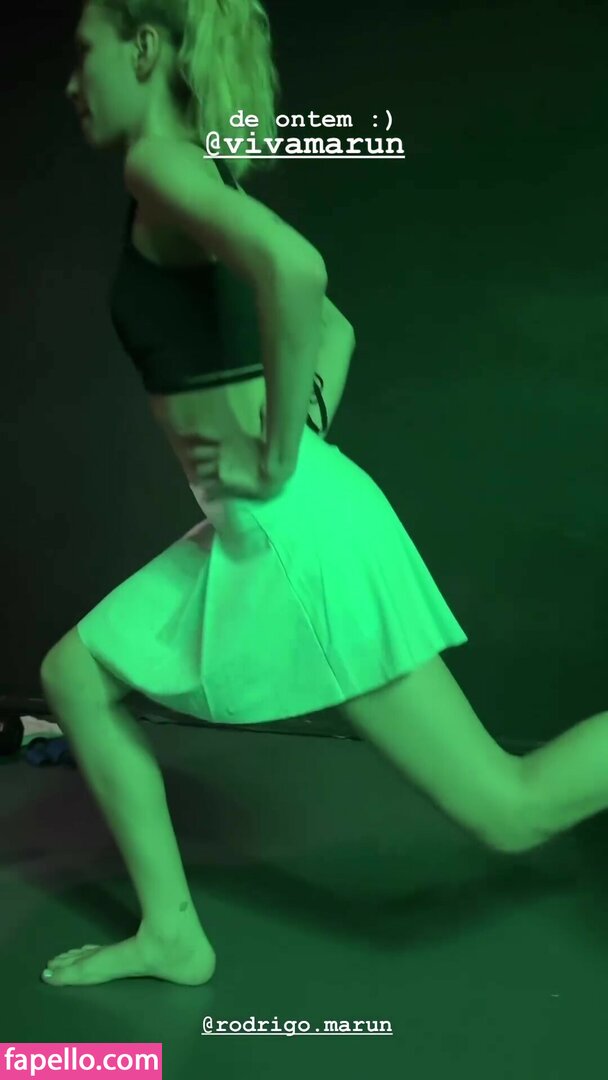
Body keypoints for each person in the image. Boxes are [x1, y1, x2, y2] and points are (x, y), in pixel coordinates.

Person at [40, 0, 608, 990]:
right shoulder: (195, 175)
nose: (71, 79)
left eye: (84, 51)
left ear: (143, 47)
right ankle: (172, 935)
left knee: (509, 808)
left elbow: (298, 272)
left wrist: (274, 453)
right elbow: (334, 330)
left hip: (296, 539)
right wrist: (295, 432)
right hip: (267, 524)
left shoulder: (159, 165)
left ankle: (172, 934)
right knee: (75, 676)